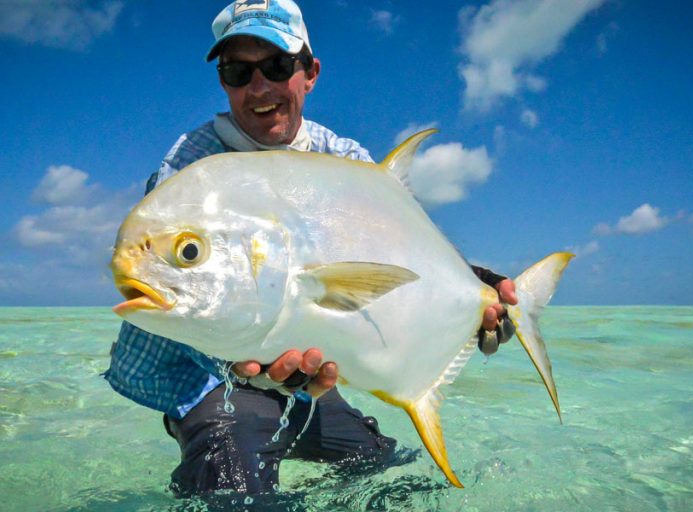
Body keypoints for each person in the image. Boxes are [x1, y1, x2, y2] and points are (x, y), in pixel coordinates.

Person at [104, 0, 517, 497]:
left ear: (310, 72)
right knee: (235, 487)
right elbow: (195, 315)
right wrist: (235, 362)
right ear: (223, 81)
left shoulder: (345, 159)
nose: (258, 88)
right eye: (238, 71)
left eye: (277, 66)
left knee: (388, 472)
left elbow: (405, 252)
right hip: (204, 379)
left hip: (307, 376)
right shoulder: (192, 166)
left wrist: (476, 287)